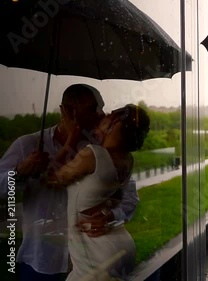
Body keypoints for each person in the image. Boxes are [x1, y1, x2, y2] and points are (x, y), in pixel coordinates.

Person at [0, 84, 139, 281]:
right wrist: (18, 173)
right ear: (67, 111)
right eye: (93, 108)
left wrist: (110, 215)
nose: (101, 114)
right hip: (42, 261)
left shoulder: (101, 152)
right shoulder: (28, 145)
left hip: (91, 260)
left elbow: (130, 196)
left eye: (102, 107)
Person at [46, 104, 150, 280]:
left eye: (107, 117)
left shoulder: (92, 154)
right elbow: (121, 199)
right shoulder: (127, 159)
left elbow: (53, 179)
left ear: (113, 124)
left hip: (95, 251)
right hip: (120, 245)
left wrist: (71, 139)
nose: (101, 120)